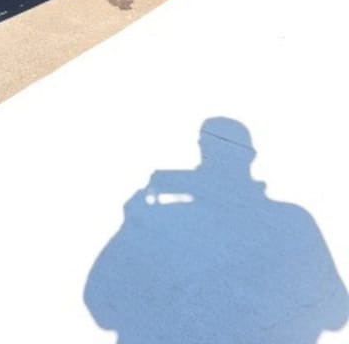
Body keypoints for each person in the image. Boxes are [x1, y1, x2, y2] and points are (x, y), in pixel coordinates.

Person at [85, 117, 348, 343]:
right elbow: (335, 312)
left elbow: (102, 302)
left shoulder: (166, 224)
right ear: (249, 157)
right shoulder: (292, 222)